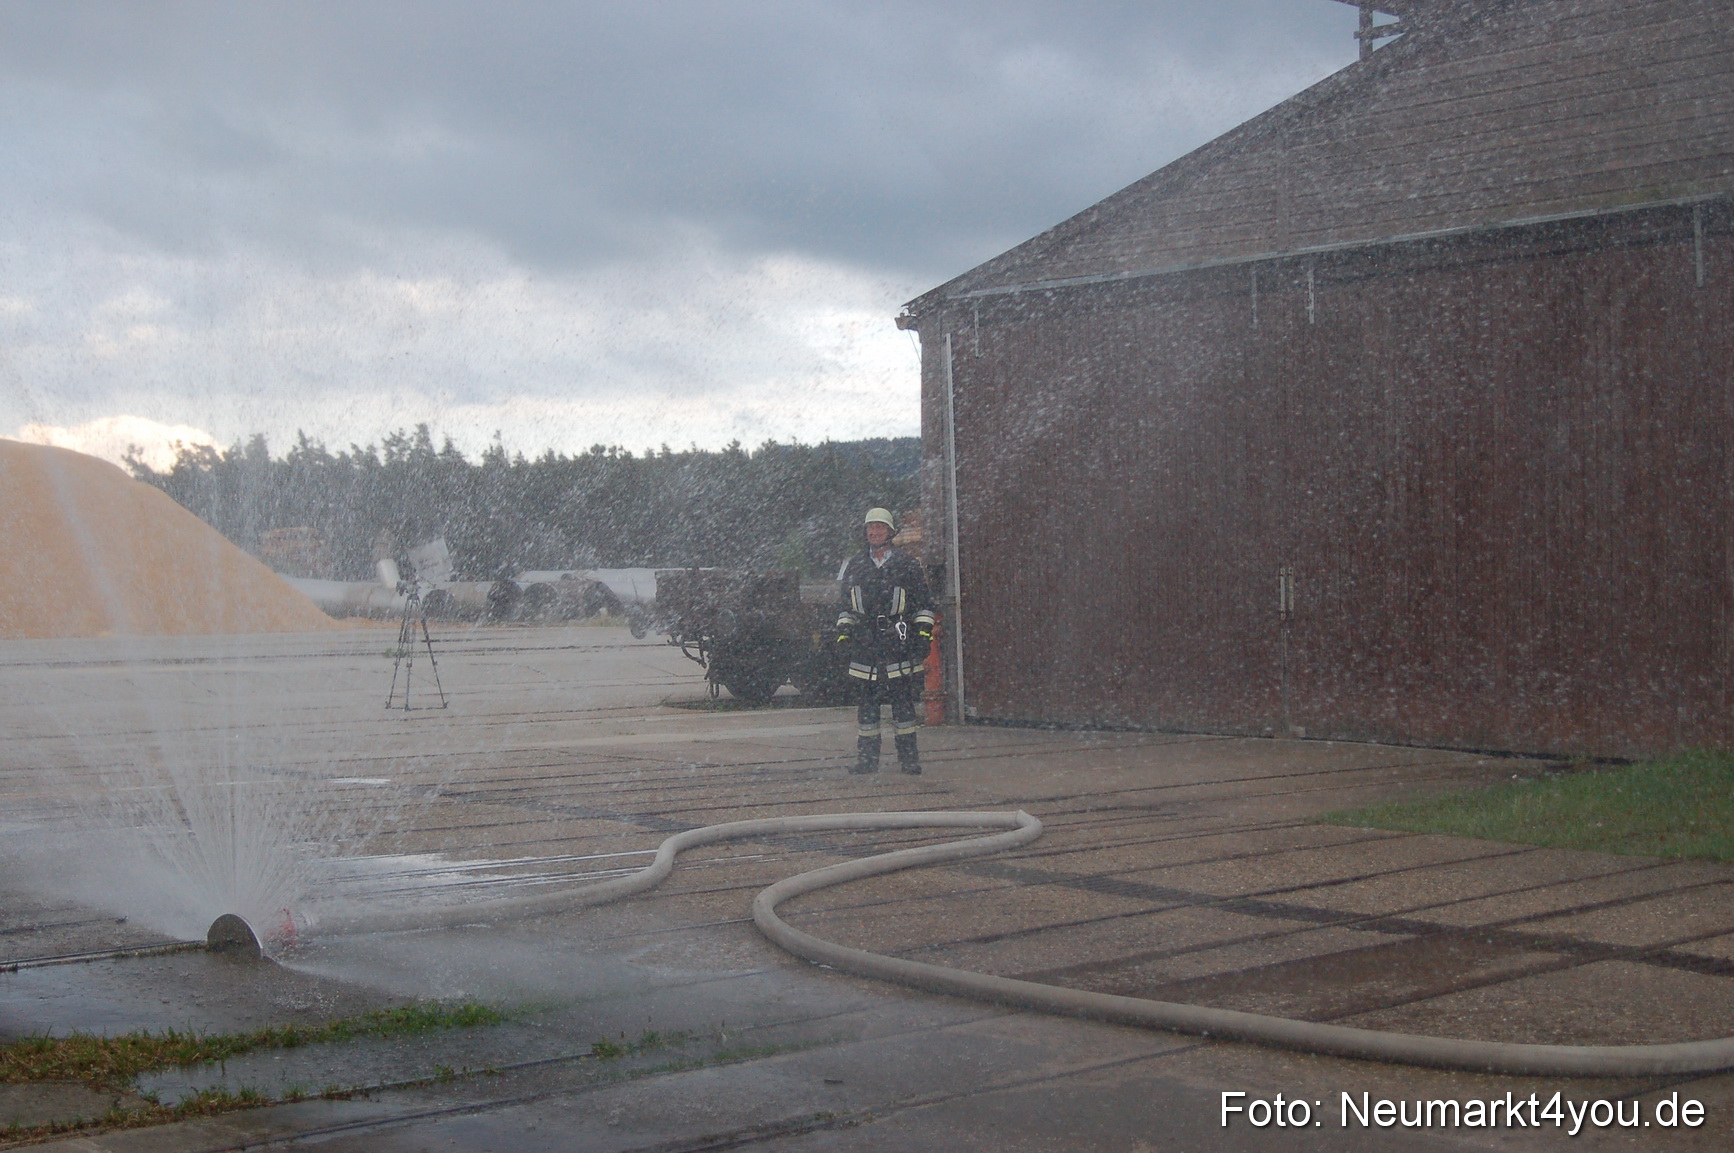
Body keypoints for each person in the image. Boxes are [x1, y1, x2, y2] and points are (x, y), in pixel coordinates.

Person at [835, 508, 935, 774]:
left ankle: (909, 760)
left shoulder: (907, 564)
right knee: (867, 709)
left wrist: (922, 637)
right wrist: (845, 636)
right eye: (870, 528)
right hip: (865, 644)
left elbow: (924, 606)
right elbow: (844, 607)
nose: (874, 532)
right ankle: (867, 762)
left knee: (903, 707)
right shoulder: (855, 565)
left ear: (891, 532)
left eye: (879, 528)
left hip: (897, 643)